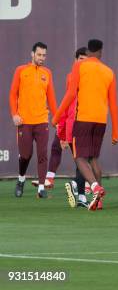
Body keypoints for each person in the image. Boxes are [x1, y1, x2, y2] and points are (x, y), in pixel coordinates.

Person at [52, 39, 118, 211]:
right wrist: (116, 132)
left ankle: (95, 187)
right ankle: (99, 200)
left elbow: (70, 94)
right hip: (101, 121)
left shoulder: (79, 67)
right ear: (101, 52)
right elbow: (113, 104)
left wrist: (56, 117)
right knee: (94, 158)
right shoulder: (109, 72)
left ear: (88, 53)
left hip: (82, 119)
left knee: (79, 157)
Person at [10, 42, 57, 199]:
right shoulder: (21, 71)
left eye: (44, 55)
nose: (42, 58)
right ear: (32, 54)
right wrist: (14, 114)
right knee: (25, 155)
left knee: (43, 154)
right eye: (39, 55)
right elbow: (12, 94)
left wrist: (57, 120)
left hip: (42, 121)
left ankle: (41, 188)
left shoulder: (47, 73)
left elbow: (51, 99)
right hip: (24, 121)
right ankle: (21, 179)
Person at [47, 47, 89, 208]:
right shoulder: (72, 78)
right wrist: (62, 132)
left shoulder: (87, 77)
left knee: (82, 161)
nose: (82, 63)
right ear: (75, 60)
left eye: (85, 60)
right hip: (77, 124)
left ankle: (81, 196)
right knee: (83, 160)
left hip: (83, 123)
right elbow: (67, 103)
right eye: (80, 59)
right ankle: (77, 189)